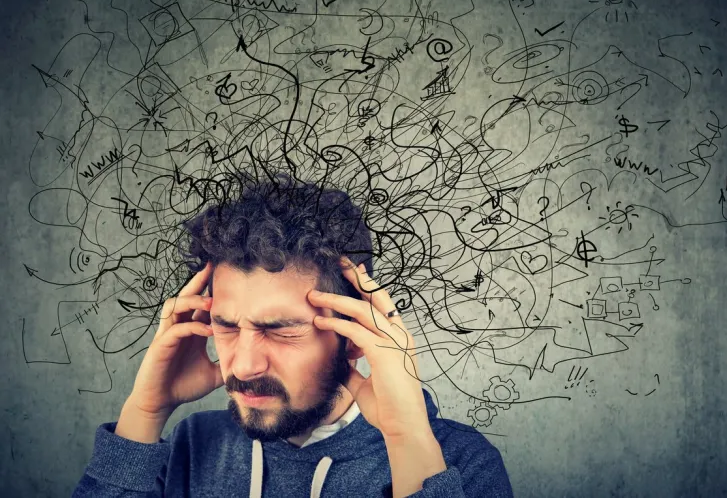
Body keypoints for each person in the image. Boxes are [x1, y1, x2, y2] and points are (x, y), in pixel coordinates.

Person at [72, 171, 514, 497]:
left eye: (280, 331)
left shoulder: (459, 465)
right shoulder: (192, 445)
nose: (242, 365)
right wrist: (145, 413)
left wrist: (406, 440)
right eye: (226, 326)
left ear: (356, 336)